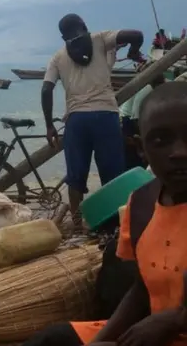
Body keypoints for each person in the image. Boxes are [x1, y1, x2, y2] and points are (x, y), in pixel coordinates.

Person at [24, 81, 187, 346]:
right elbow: (142, 289)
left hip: (167, 330)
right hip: (153, 331)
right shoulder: (142, 204)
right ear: (140, 149)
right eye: (161, 140)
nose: (179, 152)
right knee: (50, 340)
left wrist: (176, 320)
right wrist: (102, 340)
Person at [41, 13, 144, 228]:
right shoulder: (100, 39)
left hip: (77, 121)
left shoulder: (58, 57)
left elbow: (46, 89)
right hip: (106, 116)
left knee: (75, 176)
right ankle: (115, 222)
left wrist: (49, 124)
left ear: (63, 37)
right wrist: (134, 51)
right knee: (113, 174)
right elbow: (136, 35)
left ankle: (77, 221)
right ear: (84, 25)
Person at [120, 62, 165, 170]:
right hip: (129, 123)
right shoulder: (146, 89)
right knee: (135, 161)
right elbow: (136, 117)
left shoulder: (150, 87)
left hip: (133, 121)